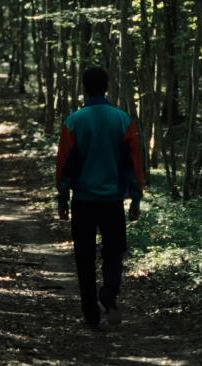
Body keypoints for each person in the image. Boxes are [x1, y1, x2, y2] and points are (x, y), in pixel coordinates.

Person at [56, 67, 144, 328]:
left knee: (84, 256)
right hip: (112, 202)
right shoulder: (122, 120)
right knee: (114, 252)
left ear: (84, 87)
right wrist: (136, 198)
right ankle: (109, 294)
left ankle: (90, 312)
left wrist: (62, 197)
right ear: (107, 87)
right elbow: (134, 163)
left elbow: (64, 164)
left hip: (83, 201)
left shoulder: (74, 121)